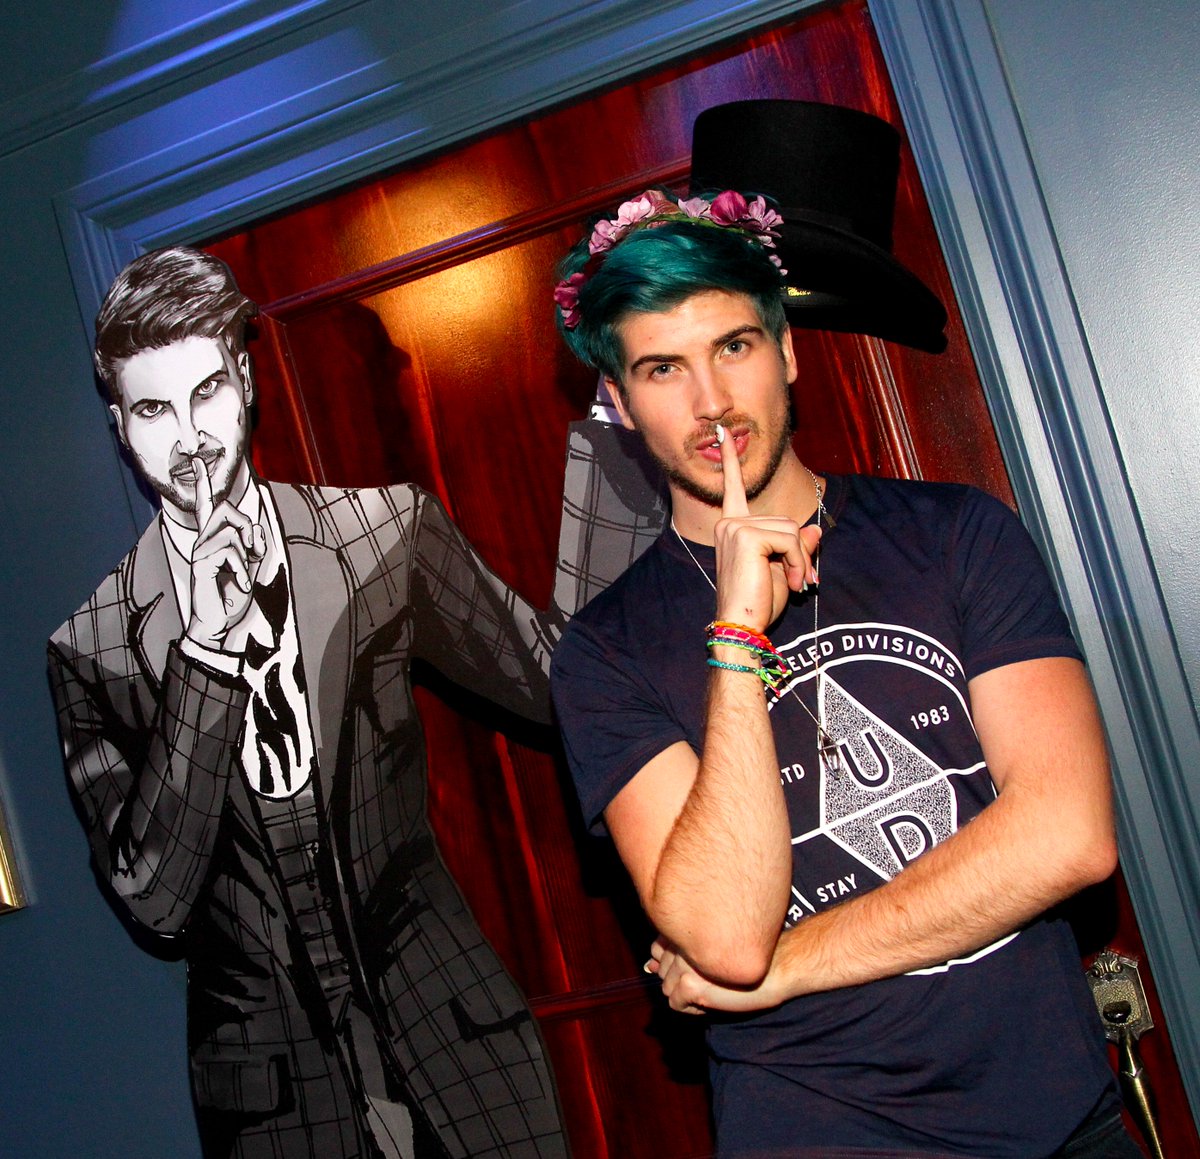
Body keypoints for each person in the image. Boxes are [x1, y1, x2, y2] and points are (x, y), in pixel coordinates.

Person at [549, 186, 1138, 1157]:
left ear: (786, 351)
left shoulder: (955, 535)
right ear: (618, 400)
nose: (711, 402)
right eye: (663, 367)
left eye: (734, 346)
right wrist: (736, 635)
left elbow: (1068, 836)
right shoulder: (604, 652)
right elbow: (727, 937)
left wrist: (787, 967)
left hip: (1060, 1120)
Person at [47, 248, 568, 1159]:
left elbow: (559, 687)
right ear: (120, 428)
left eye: (207, 391)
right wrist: (205, 656)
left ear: (246, 382)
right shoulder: (90, 648)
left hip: (455, 1035)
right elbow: (156, 902)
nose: (191, 437)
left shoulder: (381, 533)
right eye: (155, 410)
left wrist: (625, 464)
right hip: (271, 1104)